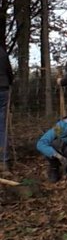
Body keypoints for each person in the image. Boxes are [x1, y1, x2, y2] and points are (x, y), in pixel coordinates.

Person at [0, 44, 13, 174]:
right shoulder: (2, 52)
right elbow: (9, 73)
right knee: (2, 127)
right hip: (3, 89)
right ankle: (4, 161)